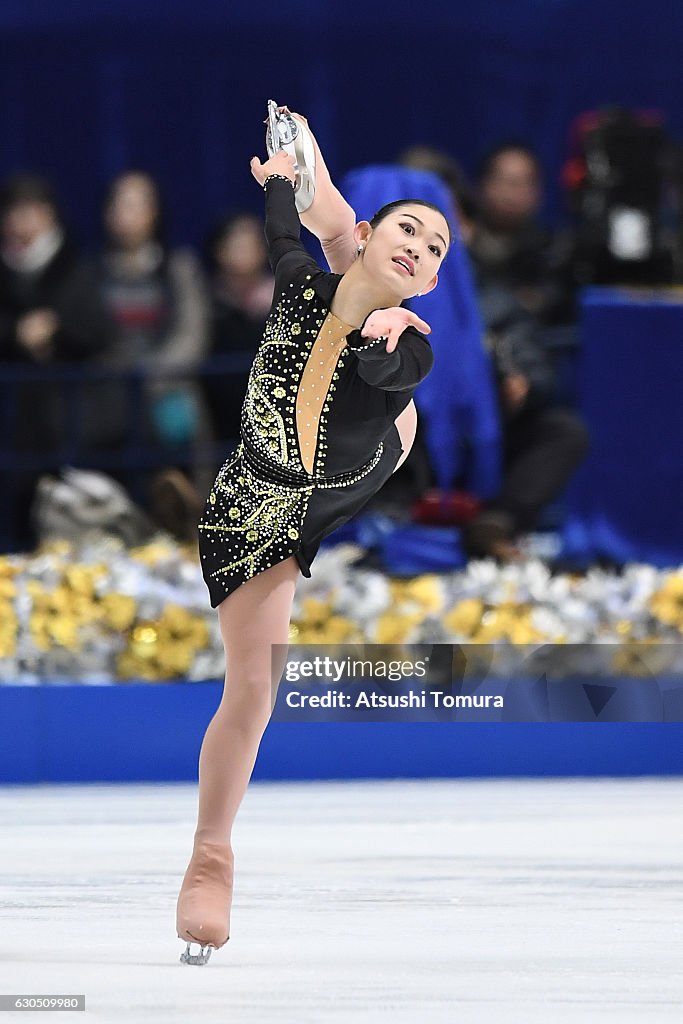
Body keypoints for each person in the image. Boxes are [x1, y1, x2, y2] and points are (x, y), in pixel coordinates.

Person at [175, 131, 450, 964]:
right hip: (258, 507)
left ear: (434, 281)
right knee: (254, 686)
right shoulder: (298, 286)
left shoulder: (410, 343)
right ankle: (211, 854)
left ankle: (328, 196)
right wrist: (282, 180)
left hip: (367, 459)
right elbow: (284, 237)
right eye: (409, 230)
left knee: (379, 347)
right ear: (371, 232)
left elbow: (389, 378)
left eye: (435, 248)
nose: (422, 247)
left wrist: (383, 340)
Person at [95, 170, 212, 539]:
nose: (126, 213)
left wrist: (150, 376)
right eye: (119, 203)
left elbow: (192, 334)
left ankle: (186, 523)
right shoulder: (93, 272)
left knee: (181, 435)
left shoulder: (177, 267)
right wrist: (121, 376)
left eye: (136, 204)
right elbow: (93, 338)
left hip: (169, 392)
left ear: (155, 212)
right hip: (112, 397)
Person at [0, 173, 114, 550]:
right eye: (13, 212)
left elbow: (98, 331)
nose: (21, 221)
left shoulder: (76, 264)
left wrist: (56, 329)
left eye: (30, 211)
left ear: (49, 215)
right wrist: (17, 331)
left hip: (71, 407)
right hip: (13, 411)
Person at [201, 211, 274, 442]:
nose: (243, 251)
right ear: (219, 250)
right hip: (217, 407)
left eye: (250, 243)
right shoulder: (206, 301)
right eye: (236, 243)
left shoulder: (282, 297)